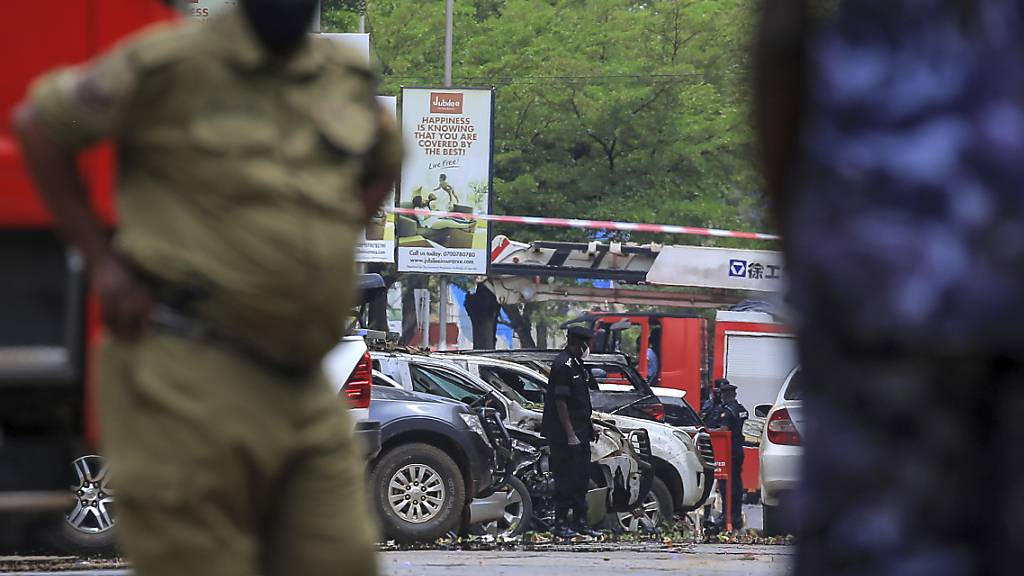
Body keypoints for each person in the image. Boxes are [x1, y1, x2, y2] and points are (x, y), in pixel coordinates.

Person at [12, 2, 402, 575]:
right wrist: (102, 262)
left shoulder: (340, 76)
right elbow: (39, 126)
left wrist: (323, 240)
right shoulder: (171, 64)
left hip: (301, 382)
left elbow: (384, 157)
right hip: (187, 372)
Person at [755, 1, 1024, 573]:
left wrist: (805, 238)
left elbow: (781, 41)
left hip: (875, 243)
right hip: (891, 253)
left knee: (881, 536)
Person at [541, 325, 602, 538]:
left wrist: (589, 426)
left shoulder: (577, 364)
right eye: (589, 344)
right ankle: (560, 523)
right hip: (565, 435)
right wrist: (570, 435)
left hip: (581, 430)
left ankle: (580, 522)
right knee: (565, 479)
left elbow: (580, 402)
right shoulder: (563, 365)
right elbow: (561, 402)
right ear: (581, 343)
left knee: (581, 478)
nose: (590, 348)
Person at [705, 380, 747, 530]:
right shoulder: (740, 409)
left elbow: (723, 430)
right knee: (736, 484)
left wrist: (707, 432)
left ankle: (728, 516)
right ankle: (735, 515)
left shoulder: (727, 411)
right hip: (738, 450)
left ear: (726, 395)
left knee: (726, 485)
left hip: (728, 452)